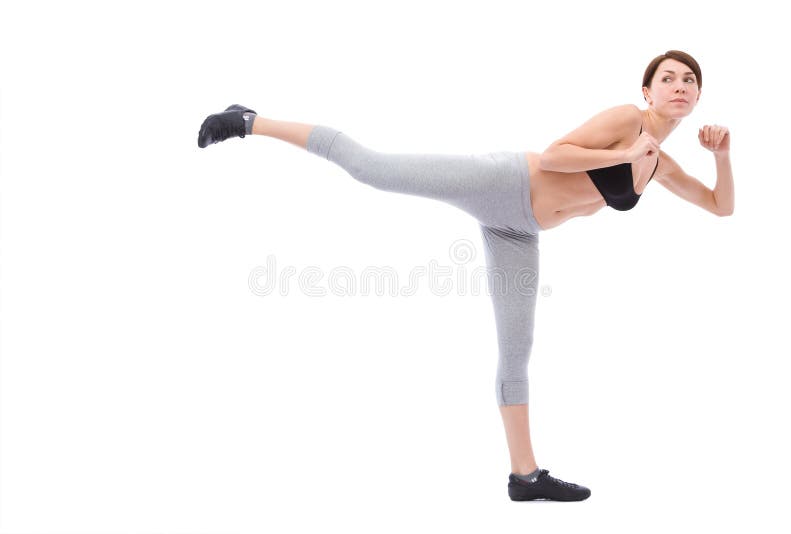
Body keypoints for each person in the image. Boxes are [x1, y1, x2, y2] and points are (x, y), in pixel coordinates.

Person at [196, 50, 734, 502]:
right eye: (668, 78)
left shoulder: (660, 161)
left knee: (517, 347)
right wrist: (627, 151)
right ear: (647, 90)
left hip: (519, 230)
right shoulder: (629, 122)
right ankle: (248, 121)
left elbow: (719, 206)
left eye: (690, 81)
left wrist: (724, 156)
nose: (679, 86)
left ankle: (525, 477)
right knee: (373, 168)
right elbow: (554, 157)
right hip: (503, 182)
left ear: (697, 98)